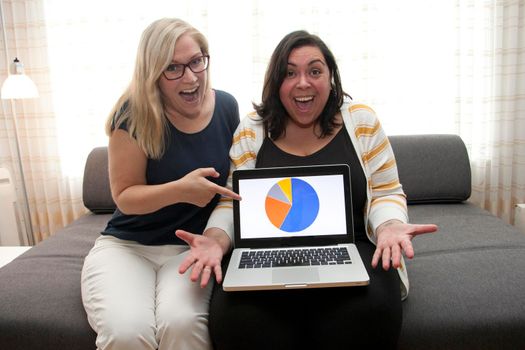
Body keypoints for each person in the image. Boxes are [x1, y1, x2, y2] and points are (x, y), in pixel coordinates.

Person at [203, 30, 438, 349]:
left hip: (353, 247)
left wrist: (389, 226)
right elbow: (232, 201)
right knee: (236, 321)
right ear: (276, 82)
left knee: (370, 314)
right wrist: (216, 240)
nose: (303, 83)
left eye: (314, 71)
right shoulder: (251, 129)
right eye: (290, 73)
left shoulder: (362, 121)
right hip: (266, 254)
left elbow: (385, 191)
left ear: (331, 78)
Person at [80, 18, 240, 350]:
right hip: (128, 247)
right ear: (153, 74)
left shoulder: (226, 106)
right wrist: (181, 189)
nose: (191, 77)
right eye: (173, 68)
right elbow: (124, 197)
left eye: (196, 61)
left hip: (188, 249)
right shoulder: (133, 114)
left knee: (181, 324)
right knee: (127, 332)